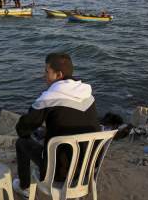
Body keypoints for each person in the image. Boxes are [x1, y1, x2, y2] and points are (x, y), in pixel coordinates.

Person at [12, 53, 99, 198]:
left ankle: (24, 186)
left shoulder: (48, 98)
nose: (43, 75)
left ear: (58, 74)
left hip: (59, 172)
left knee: (21, 143)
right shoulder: (87, 94)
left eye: (46, 72)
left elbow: (22, 129)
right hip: (88, 168)